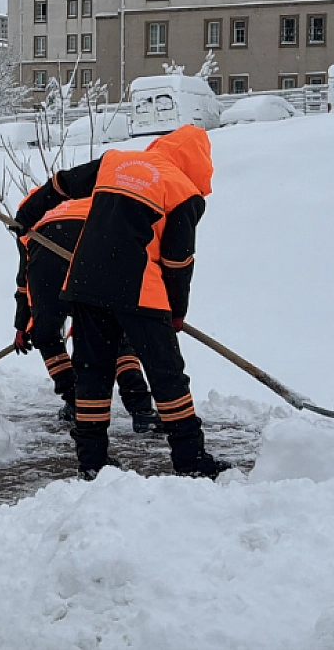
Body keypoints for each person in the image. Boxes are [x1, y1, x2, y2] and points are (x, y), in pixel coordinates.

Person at [15, 125, 231, 480]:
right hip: (140, 290)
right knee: (167, 376)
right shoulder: (184, 192)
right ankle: (191, 461)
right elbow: (178, 262)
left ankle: (92, 461)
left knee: (93, 375)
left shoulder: (117, 163)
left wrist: (27, 215)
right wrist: (177, 312)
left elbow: (62, 184)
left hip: (85, 283)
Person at [12, 192, 161, 433]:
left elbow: (24, 281)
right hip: (95, 254)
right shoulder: (95, 203)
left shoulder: (31, 217)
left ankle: (75, 403)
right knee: (115, 334)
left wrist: (23, 325)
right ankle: (142, 411)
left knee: (47, 336)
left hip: (46, 267)